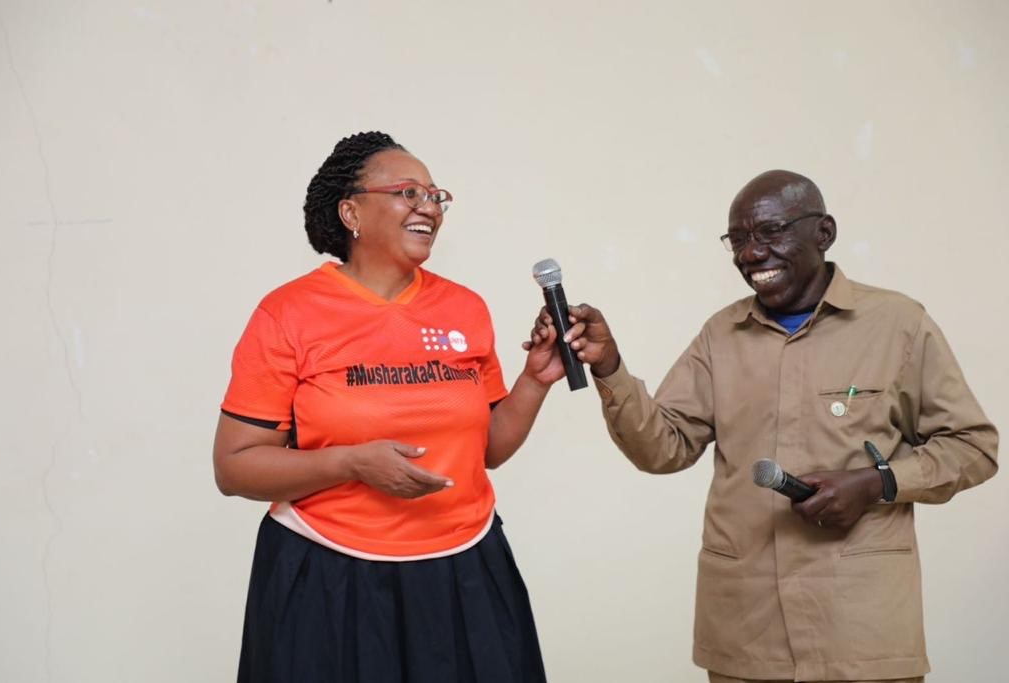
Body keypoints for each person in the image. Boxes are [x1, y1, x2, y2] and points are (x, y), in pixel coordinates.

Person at [529, 170, 998, 683]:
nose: (751, 254)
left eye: (770, 232)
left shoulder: (898, 324)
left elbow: (973, 446)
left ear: (823, 233)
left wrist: (876, 482)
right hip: (747, 636)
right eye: (739, 239)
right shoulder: (721, 335)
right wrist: (609, 367)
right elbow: (663, 449)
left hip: (862, 634)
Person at [214, 131, 558, 682]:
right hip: (329, 574)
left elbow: (487, 450)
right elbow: (234, 467)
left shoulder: (464, 308)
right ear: (351, 211)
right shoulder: (287, 314)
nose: (428, 207)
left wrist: (535, 382)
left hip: (464, 565)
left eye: (435, 195)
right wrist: (351, 463)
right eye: (407, 192)